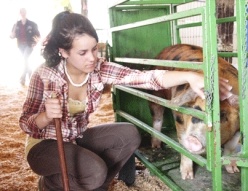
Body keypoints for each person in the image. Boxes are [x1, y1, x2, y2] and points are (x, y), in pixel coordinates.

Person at [19, 11, 233, 191]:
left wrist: (189, 76)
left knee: (129, 134)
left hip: (76, 138)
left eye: (94, 49)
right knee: (95, 171)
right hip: (45, 146)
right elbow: (25, 123)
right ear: (63, 52)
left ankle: (94, 185)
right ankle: (50, 184)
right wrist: (46, 116)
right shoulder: (45, 76)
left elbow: (146, 78)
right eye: (83, 52)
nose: (92, 58)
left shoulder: (98, 69)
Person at [10, 8, 40, 86]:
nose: (22, 13)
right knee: (25, 61)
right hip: (20, 45)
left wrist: (35, 42)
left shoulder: (32, 24)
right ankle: (30, 74)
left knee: (25, 59)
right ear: (20, 13)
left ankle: (22, 77)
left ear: (26, 13)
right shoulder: (16, 24)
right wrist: (12, 35)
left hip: (29, 45)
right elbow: (12, 35)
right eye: (21, 12)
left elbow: (38, 35)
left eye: (24, 12)